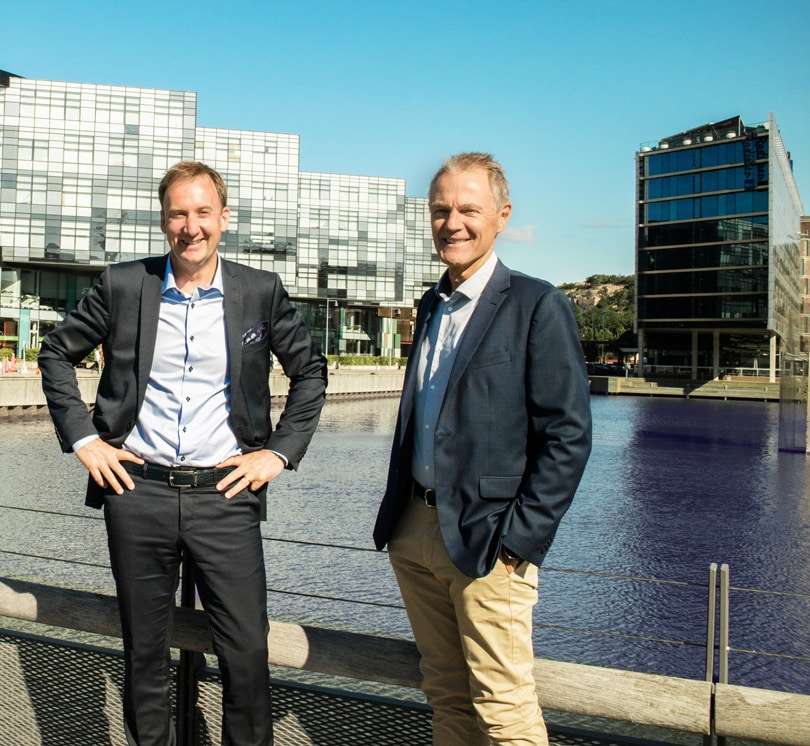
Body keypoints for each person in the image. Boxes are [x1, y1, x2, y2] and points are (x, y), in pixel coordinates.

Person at [38, 161, 327, 746]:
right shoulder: (123, 286)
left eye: (202, 213)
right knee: (144, 654)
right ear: (164, 219)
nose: (190, 226)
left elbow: (310, 373)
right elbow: (55, 354)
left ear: (224, 218)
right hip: (135, 491)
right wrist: (85, 440)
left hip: (226, 495)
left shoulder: (260, 292)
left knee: (246, 653)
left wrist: (277, 454)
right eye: (178, 213)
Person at [373, 152, 592, 745]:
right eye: (441, 210)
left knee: (503, 710)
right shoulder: (430, 304)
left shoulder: (536, 305)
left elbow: (568, 434)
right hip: (414, 528)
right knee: (446, 696)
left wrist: (520, 540)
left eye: (468, 209)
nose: (453, 223)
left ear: (502, 216)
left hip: (489, 539)